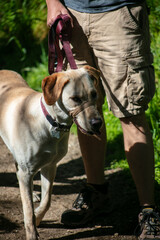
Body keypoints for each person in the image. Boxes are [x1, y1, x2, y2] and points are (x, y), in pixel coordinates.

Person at [46, 0, 160, 239]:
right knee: (84, 110)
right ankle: (96, 191)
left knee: (130, 111)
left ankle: (148, 210)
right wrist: (53, 2)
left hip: (118, 14)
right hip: (71, 15)